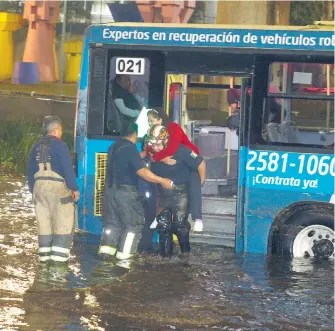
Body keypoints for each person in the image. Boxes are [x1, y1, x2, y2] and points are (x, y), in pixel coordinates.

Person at [99, 122, 173, 262]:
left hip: (109, 192)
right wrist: (162, 180)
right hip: (126, 193)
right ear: (135, 134)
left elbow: (131, 159)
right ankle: (124, 260)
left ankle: (105, 258)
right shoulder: (130, 148)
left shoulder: (114, 147)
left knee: (112, 225)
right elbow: (143, 172)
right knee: (132, 226)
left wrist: (149, 154)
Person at [147, 125, 206, 257]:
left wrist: (199, 182)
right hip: (163, 193)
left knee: (180, 225)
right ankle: (165, 257)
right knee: (163, 225)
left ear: (166, 140)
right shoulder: (153, 154)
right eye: (152, 145)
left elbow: (200, 163)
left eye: (158, 144)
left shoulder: (181, 150)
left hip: (181, 193)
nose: (155, 148)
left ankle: (185, 253)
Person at [27, 116, 79, 263]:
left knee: (44, 226)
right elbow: (67, 169)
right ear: (56, 130)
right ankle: (58, 267)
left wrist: (34, 191)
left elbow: (30, 173)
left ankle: (44, 263)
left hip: (39, 191)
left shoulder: (35, 146)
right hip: (58, 192)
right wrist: (74, 189)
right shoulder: (60, 146)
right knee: (63, 224)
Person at [143, 109, 204, 232]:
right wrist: (154, 156)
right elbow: (149, 150)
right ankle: (157, 216)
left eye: (152, 120)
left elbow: (171, 150)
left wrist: (202, 179)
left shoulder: (173, 129)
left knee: (194, 184)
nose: (150, 123)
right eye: (149, 121)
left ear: (161, 120)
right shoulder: (154, 134)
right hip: (169, 176)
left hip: (189, 163)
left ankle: (198, 219)